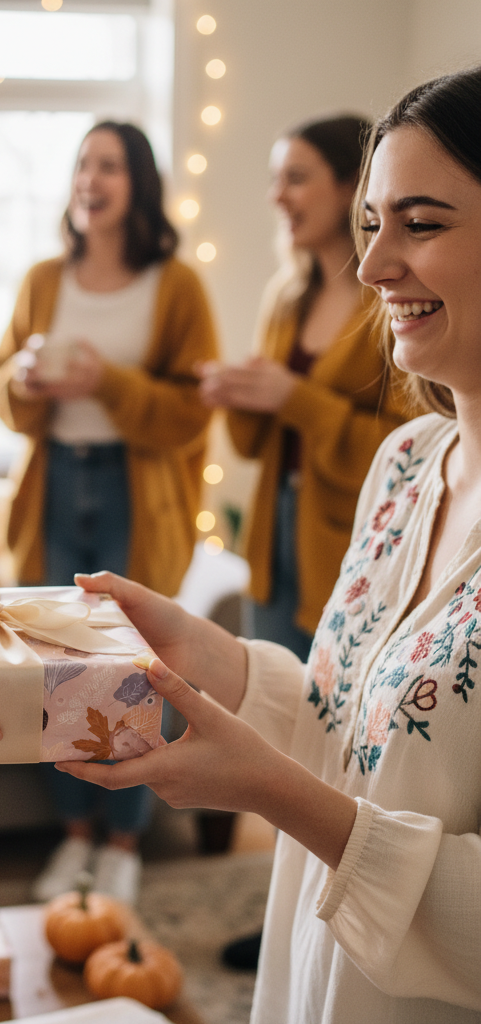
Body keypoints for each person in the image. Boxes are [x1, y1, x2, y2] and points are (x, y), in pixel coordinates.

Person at [60, 65, 481, 1023]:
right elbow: (353, 731)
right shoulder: (408, 465)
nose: (373, 267)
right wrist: (209, 656)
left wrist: (271, 792)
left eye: (421, 224)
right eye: (373, 225)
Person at [198, 116, 413, 968]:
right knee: (284, 740)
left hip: (354, 547)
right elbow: (255, 449)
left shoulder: (386, 301)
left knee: (339, 749)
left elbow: (404, 446)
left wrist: (291, 396)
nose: (277, 197)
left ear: (347, 188)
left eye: (295, 178)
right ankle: (290, 915)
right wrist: (246, 400)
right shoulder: (287, 295)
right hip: (278, 542)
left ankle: (341, 928)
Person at [0, 122, 219, 906]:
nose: (91, 179)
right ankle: (75, 837)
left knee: (134, 672)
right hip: (54, 488)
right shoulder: (43, 277)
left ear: (139, 183)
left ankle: (124, 841)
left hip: (135, 492)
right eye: (84, 164)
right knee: (59, 669)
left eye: (110, 166)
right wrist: (22, 381)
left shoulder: (176, 284)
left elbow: (192, 414)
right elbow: (2, 393)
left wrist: (106, 383)